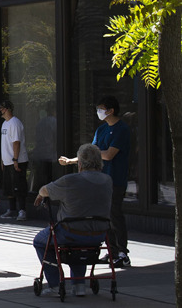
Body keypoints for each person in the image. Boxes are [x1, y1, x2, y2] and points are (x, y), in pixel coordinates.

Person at [58, 96, 131, 268]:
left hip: (115, 179)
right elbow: (91, 153)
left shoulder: (121, 129)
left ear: (111, 110)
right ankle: (112, 252)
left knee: (115, 215)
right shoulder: (102, 129)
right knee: (105, 217)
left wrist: (97, 152)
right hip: (99, 181)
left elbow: (109, 154)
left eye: (101, 108)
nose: (98, 111)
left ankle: (122, 253)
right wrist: (70, 161)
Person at [33, 144, 113, 297]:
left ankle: (55, 284)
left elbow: (45, 190)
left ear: (80, 163)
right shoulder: (107, 180)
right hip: (99, 233)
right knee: (79, 245)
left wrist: (40, 195)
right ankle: (79, 284)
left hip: (71, 232)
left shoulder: (70, 180)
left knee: (40, 241)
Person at [0, 100, 29, 221]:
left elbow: (16, 142)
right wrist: (2, 160)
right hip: (7, 161)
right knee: (9, 187)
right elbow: (4, 144)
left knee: (19, 186)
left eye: (2, 108)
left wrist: (15, 159)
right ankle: (12, 209)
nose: (0, 110)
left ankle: (22, 210)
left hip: (17, 160)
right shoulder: (4, 124)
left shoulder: (15, 123)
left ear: (7, 109)